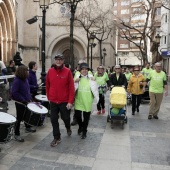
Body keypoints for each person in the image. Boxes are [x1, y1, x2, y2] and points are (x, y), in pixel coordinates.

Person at [46, 54, 74, 147]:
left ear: (63, 61)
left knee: (65, 118)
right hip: (53, 100)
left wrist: (70, 101)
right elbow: (48, 85)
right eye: (57, 59)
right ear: (54, 61)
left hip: (64, 101)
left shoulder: (67, 71)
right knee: (53, 119)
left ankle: (68, 127)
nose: (58, 61)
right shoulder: (50, 71)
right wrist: (49, 97)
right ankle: (57, 137)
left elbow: (71, 87)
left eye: (60, 59)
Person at [74, 63, 99, 139]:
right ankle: (80, 126)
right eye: (83, 69)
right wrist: (75, 81)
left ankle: (84, 131)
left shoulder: (91, 77)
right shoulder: (77, 77)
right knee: (78, 116)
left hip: (87, 100)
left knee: (86, 118)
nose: (84, 70)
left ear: (88, 70)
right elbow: (72, 87)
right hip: (78, 100)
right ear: (80, 70)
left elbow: (95, 88)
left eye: (86, 69)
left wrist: (94, 81)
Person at [11, 66, 33, 142]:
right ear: (22, 72)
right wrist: (22, 100)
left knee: (27, 114)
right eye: (26, 71)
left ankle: (27, 126)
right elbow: (14, 92)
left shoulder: (25, 79)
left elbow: (27, 90)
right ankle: (16, 133)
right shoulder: (17, 81)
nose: (28, 72)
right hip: (20, 102)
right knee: (19, 118)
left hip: (26, 101)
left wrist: (29, 98)